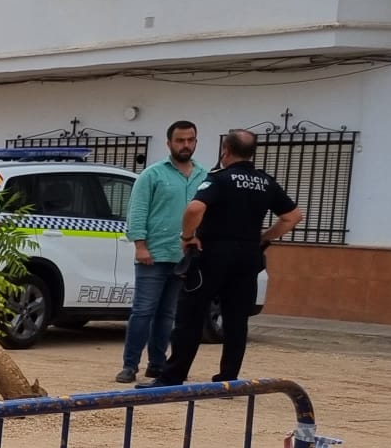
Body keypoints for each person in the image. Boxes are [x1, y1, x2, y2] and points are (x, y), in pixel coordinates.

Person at [157, 129, 300, 385]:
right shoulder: (265, 182)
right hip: (247, 257)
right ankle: (228, 378)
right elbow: (292, 217)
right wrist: (264, 237)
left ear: (226, 150)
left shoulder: (220, 179)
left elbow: (194, 208)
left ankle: (172, 376)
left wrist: (187, 236)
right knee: (236, 319)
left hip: (212, 255)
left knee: (190, 315)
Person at [118, 120, 206, 383]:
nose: (185, 145)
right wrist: (140, 246)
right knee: (143, 311)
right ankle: (129, 365)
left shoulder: (204, 176)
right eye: (180, 140)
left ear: (196, 142)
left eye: (190, 140)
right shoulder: (152, 175)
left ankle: (157, 364)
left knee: (168, 314)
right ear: (169, 144)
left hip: (184, 257)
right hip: (153, 255)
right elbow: (138, 211)